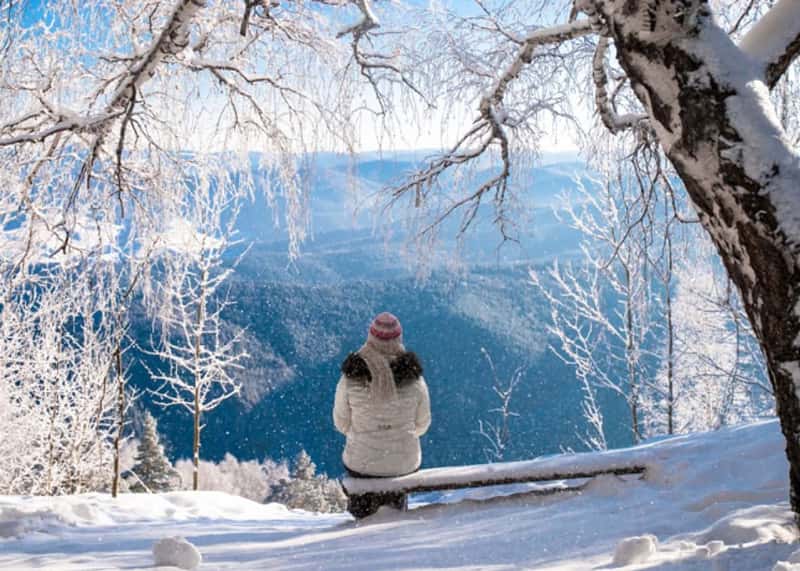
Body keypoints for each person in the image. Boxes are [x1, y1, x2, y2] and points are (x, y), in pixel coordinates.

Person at [333, 312, 431, 516]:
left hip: (361, 464)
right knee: (394, 475)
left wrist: (367, 432)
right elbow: (422, 425)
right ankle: (394, 515)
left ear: (371, 338)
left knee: (363, 478)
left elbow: (341, 423)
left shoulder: (351, 377)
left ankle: (362, 518)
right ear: (399, 339)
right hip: (404, 463)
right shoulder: (414, 379)